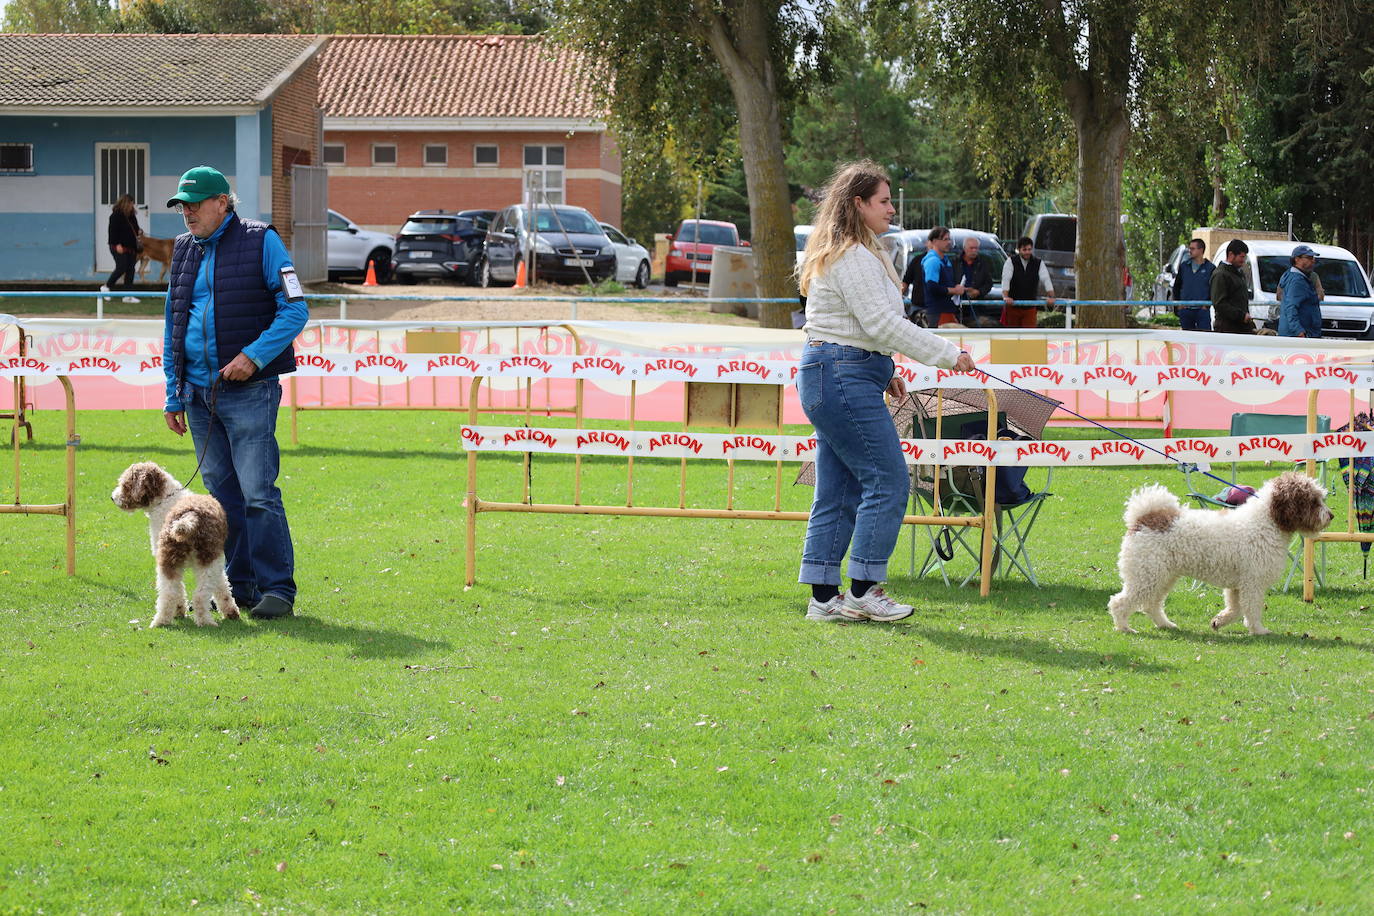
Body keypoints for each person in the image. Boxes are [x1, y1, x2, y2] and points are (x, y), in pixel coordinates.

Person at [796, 161, 976, 623]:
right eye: (884, 201)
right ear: (857, 204)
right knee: (889, 480)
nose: (892, 209)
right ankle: (863, 589)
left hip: (839, 374)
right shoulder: (853, 255)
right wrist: (947, 353)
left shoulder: (856, 251)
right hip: (839, 375)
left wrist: (880, 369)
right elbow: (880, 323)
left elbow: (862, 327)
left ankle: (824, 597)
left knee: (839, 489)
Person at [161, 165, 308, 620]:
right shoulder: (183, 249)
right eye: (182, 205)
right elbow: (173, 325)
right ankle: (237, 587)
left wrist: (253, 356)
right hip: (198, 396)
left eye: (195, 203)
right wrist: (174, 391)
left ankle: (277, 590)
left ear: (223, 202)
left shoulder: (262, 240)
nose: (187, 213)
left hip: (250, 390)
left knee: (259, 492)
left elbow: (295, 310)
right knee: (222, 499)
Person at [1000, 236, 1056, 328]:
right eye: (1024, 249)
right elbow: (1006, 279)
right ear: (1018, 250)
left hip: (1030, 307)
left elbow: (1046, 279)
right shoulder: (1010, 262)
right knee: (1011, 336)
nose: (1027, 252)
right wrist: (1005, 297)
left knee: (1029, 337)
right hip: (1012, 307)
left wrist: (1051, 297)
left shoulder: (1038, 263)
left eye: (1029, 249)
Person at [102, 194, 143, 304]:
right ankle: (106, 287)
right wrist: (117, 244)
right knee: (121, 267)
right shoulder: (116, 215)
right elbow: (112, 232)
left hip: (131, 247)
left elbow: (136, 228)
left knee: (131, 270)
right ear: (125, 203)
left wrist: (139, 231)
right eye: (131, 203)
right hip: (118, 247)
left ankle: (127, 295)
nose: (132, 205)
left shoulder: (131, 215)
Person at [1210, 239, 1256, 334]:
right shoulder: (1220, 275)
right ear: (1231, 255)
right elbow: (1220, 304)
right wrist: (1241, 316)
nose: (1243, 261)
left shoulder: (1237, 273)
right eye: (1241, 257)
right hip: (1227, 329)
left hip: (1239, 327)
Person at [922, 227, 964, 327]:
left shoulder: (945, 260)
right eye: (945, 239)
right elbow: (932, 287)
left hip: (947, 310)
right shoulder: (933, 261)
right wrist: (954, 291)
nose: (949, 242)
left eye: (949, 239)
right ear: (935, 241)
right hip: (937, 313)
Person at [1278, 244, 1322, 338]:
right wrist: (1298, 331)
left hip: (1297, 334)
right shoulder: (1297, 281)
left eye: (1313, 257)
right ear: (1296, 259)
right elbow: (1291, 307)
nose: (1313, 260)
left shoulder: (1294, 276)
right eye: (1309, 257)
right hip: (1298, 336)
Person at [1171, 238, 1215, 330]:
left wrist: (1206, 306)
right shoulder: (1184, 266)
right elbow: (1177, 287)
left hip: (1202, 311)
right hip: (1186, 310)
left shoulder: (1210, 268)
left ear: (1201, 250)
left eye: (1192, 249)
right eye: (1189, 248)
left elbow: (1213, 289)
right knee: (1187, 339)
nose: (1190, 251)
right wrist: (1179, 304)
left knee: (1204, 337)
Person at [954, 236, 992, 326]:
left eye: (976, 248)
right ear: (965, 248)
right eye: (971, 248)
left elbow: (989, 283)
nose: (974, 251)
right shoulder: (954, 263)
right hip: (958, 306)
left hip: (977, 306)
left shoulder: (983, 263)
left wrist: (978, 292)